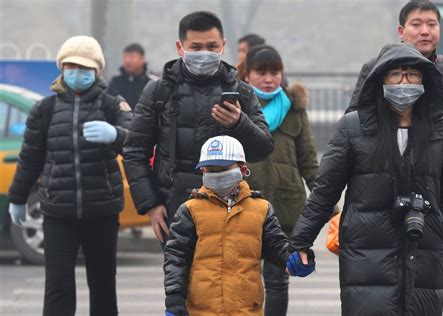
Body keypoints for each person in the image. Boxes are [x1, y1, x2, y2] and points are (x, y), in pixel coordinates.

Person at [289, 42, 443, 315]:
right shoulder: (353, 127)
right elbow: (326, 190)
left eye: (412, 74)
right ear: (381, 79)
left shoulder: (442, 130)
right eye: (395, 74)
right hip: (365, 257)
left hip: (424, 252)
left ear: (424, 79)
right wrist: (301, 241)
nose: (404, 81)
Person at [123, 11, 274, 245]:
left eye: (212, 46)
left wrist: (239, 123)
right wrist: (150, 203)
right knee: (179, 280)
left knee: (229, 279)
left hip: (231, 207)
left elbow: (263, 148)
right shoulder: (159, 92)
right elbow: (134, 151)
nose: (204, 53)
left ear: (223, 45)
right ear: (180, 47)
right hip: (175, 207)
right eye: (196, 47)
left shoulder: (241, 92)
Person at [8, 36, 131, 316]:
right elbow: (30, 158)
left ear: (97, 71)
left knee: (102, 285)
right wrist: (17, 198)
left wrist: (116, 135)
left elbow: (136, 141)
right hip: (57, 213)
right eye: (71, 67)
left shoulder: (113, 106)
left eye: (84, 68)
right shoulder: (45, 109)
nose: (77, 73)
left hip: (101, 210)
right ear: (62, 69)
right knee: (58, 287)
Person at [348, 0, 443, 211]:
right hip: (381, 182)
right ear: (401, 30)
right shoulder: (376, 69)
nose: (425, 31)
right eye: (416, 24)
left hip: (434, 185)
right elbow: (354, 122)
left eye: (432, 24)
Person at [163, 135, 289, 315]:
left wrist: (294, 257)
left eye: (222, 169)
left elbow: (276, 247)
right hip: (203, 310)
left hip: (246, 309)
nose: (216, 174)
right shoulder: (190, 210)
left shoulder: (261, 209)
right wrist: (174, 299)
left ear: (242, 169)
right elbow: (176, 258)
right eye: (210, 169)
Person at [239, 44, 319, 315]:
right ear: (247, 75)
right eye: (261, 72)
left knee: (277, 281)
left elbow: (308, 160)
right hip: (244, 206)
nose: (269, 78)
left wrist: (327, 205)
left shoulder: (293, 108)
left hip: (285, 207)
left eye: (275, 72)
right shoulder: (237, 108)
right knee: (245, 282)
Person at [107, 43, 159, 110]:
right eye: (125, 57)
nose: (128, 60)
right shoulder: (116, 81)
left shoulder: (152, 82)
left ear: (142, 59)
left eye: (132, 57)